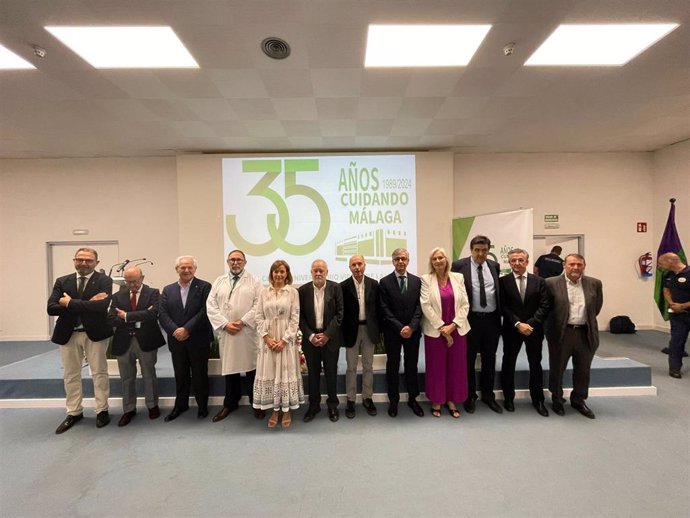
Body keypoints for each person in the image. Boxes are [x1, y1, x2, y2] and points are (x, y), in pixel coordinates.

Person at [47, 247, 113, 434]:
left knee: (99, 373)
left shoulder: (104, 280)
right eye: (80, 259)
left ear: (96, 263)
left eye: (88, 260)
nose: (84, 263)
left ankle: (102, 410)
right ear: (74, 260)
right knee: (71, 374)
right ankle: (74, 412)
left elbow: (101, 306)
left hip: (95, 334)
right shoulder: (62, 281)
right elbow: (51, 308)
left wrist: (69, 303)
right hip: (68, 334)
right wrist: (87, 304)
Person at [206, 250, 264, 421]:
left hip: (247, 332)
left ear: (245, 262)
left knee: (252, 370)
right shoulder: (219, 281)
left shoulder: (255, 281)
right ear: (227, 262)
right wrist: (225, 324)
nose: (235, 263)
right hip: (227, 332)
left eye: (239, 260)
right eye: (232, 260)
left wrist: (243, 321)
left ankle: (257, 403)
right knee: (230, 371)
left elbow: (259, 305)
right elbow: (211, 305)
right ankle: (230, 404)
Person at [545, 253, 603, 419]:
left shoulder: (595, 284)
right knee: (557, 368)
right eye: (571, 264)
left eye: (579, 264)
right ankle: (557, 399)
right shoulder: (551, 283)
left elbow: (596, 308)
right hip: (562, 333)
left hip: (585, 333)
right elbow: (547, 309)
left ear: (584, 265)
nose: (575, 268)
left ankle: (578, 400)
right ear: (564, 265)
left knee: (583, 370)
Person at [451, 235, 503, 414]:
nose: (480, 254)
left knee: (490, 359)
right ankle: (470, 396)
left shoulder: (494, 266)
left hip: (491, 321)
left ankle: (488, 396)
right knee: (469, 359)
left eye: (484, 250)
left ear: (489, 251)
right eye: (477, 250)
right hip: (470, 321)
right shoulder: (458, 266)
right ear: (471, 250)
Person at [107, 266, 165, 427]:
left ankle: (152, 405)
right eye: (128, 281)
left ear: (142, 277)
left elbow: (153, 314)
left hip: (146, 340)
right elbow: (111, 318)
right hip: (123, 341)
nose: (132, 285)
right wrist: (140, 316)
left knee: (149, 375)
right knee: (126, 378)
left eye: (135, 281)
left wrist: (126, 316)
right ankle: (129, 409)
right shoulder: (117, 296)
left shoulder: (153, 292)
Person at [159, 256, 213, 421]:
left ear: (195, 269)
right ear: (177, 269)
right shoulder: (168, 290)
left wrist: (187, 329)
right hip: (177, 340)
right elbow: (162, 313)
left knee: (200, 374)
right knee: (180, 374)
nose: (186, 270)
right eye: (182, 267)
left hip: (198, 338)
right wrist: (176, 330)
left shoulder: (205, 286)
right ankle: (180, 405)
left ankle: (202, 406)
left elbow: (205, 311)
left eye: (190, 267)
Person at [499, 249, 550, 417]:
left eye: (520, 260)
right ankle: (508, 398)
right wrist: (517, 324)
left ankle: (538, 400)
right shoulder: (503, 281)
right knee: (508, 363)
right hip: (512, 329)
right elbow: (503, 306)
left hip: (534, 330)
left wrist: (530, 324)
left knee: (535, 364)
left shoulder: (539, 281)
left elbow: (544, 305)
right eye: (513, 260)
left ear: (527, 262)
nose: (517, 263)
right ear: (509, 262)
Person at [420, 247, 470, 418]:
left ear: (446, 260)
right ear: (431, 262)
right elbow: (425, 305)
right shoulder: (426, 279)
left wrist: (453, 326)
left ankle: (452, 400)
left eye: (441, 257)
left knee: (456, 366)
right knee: (437, 366)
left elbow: (465, 304)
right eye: (435, 259)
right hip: (435, 331)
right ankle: (437, 399)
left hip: (457, 329)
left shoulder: (458, 278)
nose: (438, 261)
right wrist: (442, 328)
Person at [253, 260, 303, 428]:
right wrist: (266, 338)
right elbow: (258, 316)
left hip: (285, 340)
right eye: (276, 271)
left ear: (287, 274)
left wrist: (284, 340)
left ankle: (287, 410)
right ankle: (275, 410)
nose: (279, 274)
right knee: (271, 373)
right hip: (267, 341)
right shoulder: (263, 292)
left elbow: (295, 319)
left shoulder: (293, 292)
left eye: (282, 271)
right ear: (271, 274)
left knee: (284, 373)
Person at [379, 248, 424, 418]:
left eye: (403, 259)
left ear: (408, 261)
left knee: (411, 365)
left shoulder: (417, 281)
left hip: (413, 332)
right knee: (393, 365)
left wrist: (411, 327)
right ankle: (394, 400)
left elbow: (420, 307)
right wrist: (400, 327)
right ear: (393, 261)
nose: (400, 261)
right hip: (393, 332)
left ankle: (413, 398)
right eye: (397, 259)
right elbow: (384, 309)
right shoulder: (384, 282)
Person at [299, 259, 344, 423]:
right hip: (311, 340)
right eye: (315, 270)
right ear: (311, 272)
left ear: (327, 272)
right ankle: (314, 406)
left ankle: (333, 406)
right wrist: (311, 336)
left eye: (321, 270)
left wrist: (327, 335)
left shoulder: (336, 288)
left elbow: (340, 314)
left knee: (331, 373)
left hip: (330, 339)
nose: (318, 273)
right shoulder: (302, 290)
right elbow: (300, 316)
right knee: (313, 375)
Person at [340, 255, 381, 419]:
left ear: (365, 265)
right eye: (354, 265)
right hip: (352, 331)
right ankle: (351, 399)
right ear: (350, 267)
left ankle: (367, 397)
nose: (357, 267)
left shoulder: (374, 284)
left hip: (369, 330)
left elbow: (378, 309)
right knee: (350, 367)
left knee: (368, 366)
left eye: (360, 264)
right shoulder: (343, 286)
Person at [657, 252, 690, 378]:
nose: (660, 266)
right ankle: (675, 368)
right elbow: (666, 290)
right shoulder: (668, 275)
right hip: (677, 315)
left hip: (686, 310)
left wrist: (683, 305)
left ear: (670, 261)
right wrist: (671, 304)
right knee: (676, 341)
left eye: (661, 263)